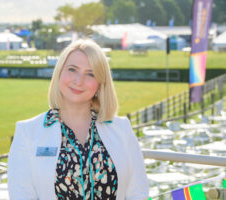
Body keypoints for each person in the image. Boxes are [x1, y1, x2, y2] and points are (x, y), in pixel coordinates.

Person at [8, 39, 149, 200]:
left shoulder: (122, 129)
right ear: (59, 72)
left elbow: (139, 194)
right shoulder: (27, 133)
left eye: (90, 74)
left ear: (100, 83)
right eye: (72, 70)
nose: (78, 81)